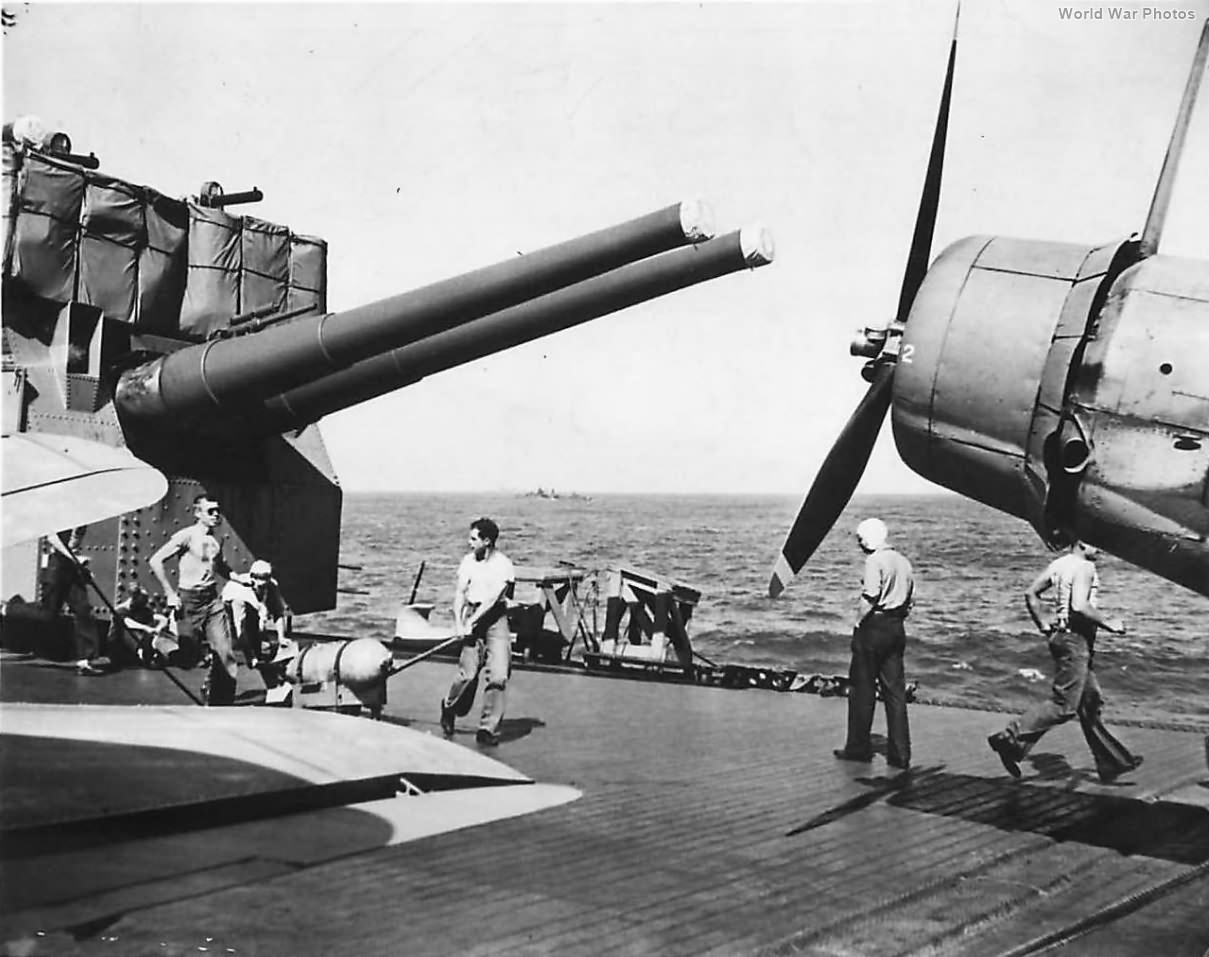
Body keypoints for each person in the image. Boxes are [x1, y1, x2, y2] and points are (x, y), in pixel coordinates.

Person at [988, 538, 1143, 783]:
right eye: (1095, 543)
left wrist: (1043, 624)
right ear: (1081, 543)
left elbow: (1031, 594)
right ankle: (1009, 736)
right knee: (1064, 705)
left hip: (1062, 637)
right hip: (1076, 641)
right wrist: (1110, 623)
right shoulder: (1085, 567)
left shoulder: (1060, 564)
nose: (1101, 547)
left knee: (1090, 701)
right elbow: (1079, 606)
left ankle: (1112, 762)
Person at [149, 495, 249, 705]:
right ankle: (161, 642)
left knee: (225, 652)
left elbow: (218, 565)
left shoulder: (215, 538)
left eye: (217, 510)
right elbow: (156, 560)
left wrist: (236, 577)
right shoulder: (186, 536)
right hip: (189, 601)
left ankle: (222, 704)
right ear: (197, 513)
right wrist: (169, 593)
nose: (216, 515)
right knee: (188, 659)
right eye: (210, 511)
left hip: (212, 601)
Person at [833, 518, 915, 771]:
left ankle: (858, 748)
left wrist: (858, 623)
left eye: (860, 539)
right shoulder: (903, 561)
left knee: (862, 688)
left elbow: (870, 596)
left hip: (874, 627)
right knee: (895, 692)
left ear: (868, 539)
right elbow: (910, 601)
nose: (859, 544)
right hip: (896, 627)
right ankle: (900, 754)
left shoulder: (874, 561)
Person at [440, 517, 516, 746]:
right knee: (468, 674)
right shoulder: (468, 562)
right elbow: (460, 594)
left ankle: (487, 729)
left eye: (474, 538)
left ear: (487, 541)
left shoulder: (504, 564)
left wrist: (473, 620)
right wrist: (459, 623)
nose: (469, 542)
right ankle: (449, 707)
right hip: (472, 615)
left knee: (499, 675)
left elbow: (493, 599)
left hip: (495, 618)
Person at [42, 526, 104, 675]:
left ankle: (85, 662)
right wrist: (74, 558)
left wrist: (80, 567)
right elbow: (52, 538)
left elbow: (74, 545)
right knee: (47, 614)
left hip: (71, 568)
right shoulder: (63, 512)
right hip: (57, 568)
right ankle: (7, 609)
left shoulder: (83, 518)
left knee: (83, 610)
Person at [222, 559, 292, 692]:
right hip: (231, 610)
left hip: (254, 610)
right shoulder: (240, 592)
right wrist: (250, 657)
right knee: (226, 649)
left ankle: (273, 686)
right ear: (252, 578)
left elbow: (278, 613)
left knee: (261, 648)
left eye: (266, 581)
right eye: (260, 583)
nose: (263, 585)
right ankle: (212, 687)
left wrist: (281, 637)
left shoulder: (271, 586)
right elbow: (240, 629)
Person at [113, 585, 175, 667]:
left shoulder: (142, 609)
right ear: (134, 599)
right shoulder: (121, 610)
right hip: (119, 644)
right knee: (128, 630)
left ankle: (154, 651)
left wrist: (158, 628)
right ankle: (141, 652)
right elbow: (127, 622)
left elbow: (161, 619)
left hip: (139, 640)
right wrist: (146, 628)